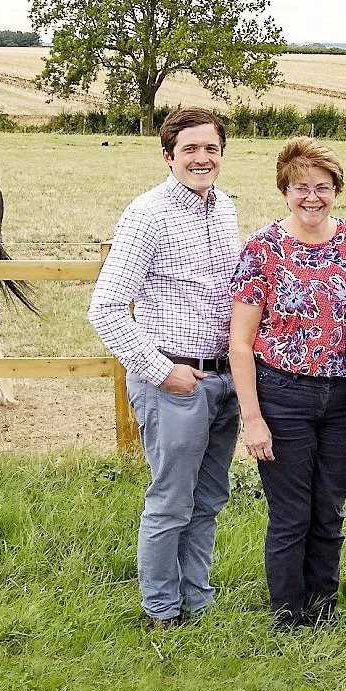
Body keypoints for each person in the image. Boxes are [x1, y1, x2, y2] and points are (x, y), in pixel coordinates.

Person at [88, 106, 241, 628]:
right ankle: (161, 610)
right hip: (175, 381)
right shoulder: (147, 215)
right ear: (168, 156)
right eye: (190, 149)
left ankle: (197, 601)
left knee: (209, 499)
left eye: (211, 149)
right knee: (172, 502)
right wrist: (160, 371)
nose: (202, 158)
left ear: (222, 154)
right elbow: (105, 308)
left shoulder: (225, 210)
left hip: (223, 380)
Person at [228, 137, 346, 629]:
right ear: (284, 191)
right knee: (292, 513)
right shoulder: (262, 248)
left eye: (322, 187)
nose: (312, 197)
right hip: (282, 393)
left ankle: (324, 608)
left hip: (343, 397)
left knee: (329, 510)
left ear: (337, 190)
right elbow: (241, 342)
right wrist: (253, 418)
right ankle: (288, 615)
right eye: (300, 188)